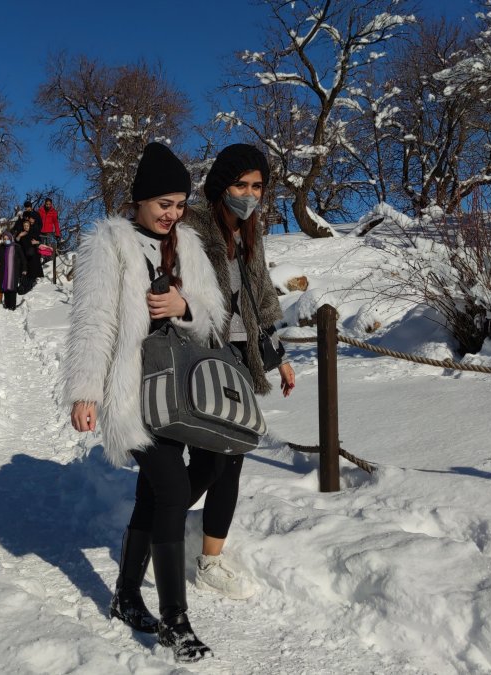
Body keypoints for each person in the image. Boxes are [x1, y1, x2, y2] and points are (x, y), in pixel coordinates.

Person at [63, 142, 226, 663]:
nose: (171, 213)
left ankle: (126, 595)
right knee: (172, 489)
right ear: (138, 200)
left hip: (179, 394)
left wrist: (184, 306)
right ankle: (175, 622)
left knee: (160, 494)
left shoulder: (190, 245)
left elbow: (214, 318)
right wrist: (86, 392)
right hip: (131, 394)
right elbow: (94, 322)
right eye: (163, 202)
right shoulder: (109, 244)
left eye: (179, 203)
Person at [186, 143, 296, 599]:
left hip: (239, 357)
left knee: (231, 462)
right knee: (208, 459)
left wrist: (280, 356)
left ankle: (210, 558)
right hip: (198, 356)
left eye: (257, 186)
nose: (249, 194)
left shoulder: (253, 231)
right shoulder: (192, 226)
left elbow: (263, 299)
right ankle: (156, 526)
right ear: (220, 186)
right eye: (240, 184)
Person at [0, 231, 25, 310]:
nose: (6, 240)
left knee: (12, 288)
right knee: (5, 287)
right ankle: (7, 304)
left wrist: (24, 269)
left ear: (10, 238)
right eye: (4, 239)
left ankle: (12, 305)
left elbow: (23, 259)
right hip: (4, 271)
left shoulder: (17, 247)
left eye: (7, 238)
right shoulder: (1, 247)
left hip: (14, 271)